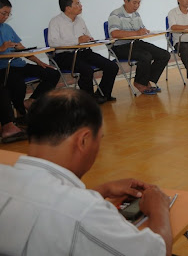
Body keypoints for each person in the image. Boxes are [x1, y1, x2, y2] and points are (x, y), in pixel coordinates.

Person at [0, 88, 172, 255]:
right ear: (84, 140)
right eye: (99, 139)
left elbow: (46, 202)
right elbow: (156, 252)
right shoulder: (86, 213)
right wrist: (159, 209)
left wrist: (101, 190)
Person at [47, 0, 119, 104]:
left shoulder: (80, 20)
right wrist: (77, 40)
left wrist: (89, 39)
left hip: (84, 52)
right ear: (68, 8)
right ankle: (88, 100)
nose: (81, 6)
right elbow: (53, 43)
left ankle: (103, 94)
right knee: (87, 70)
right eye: (77, 3)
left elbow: (87, 36)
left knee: (112, 66)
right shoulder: (55, 22)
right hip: (65, 55)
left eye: (80, 3)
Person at [0, 0, 60, 119]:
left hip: (18, 64)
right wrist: (2, 48)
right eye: (4, 13)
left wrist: (38, 62)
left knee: (52, 73)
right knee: (18, 84)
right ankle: (21, 113)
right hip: (3, 68)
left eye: (8, 14)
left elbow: (21, 48)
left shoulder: (7, 28)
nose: (6, 17)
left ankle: (31, 101)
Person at [107, 0, 170, 95]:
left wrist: (145, 31)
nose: (137, 6)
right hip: (120, 46)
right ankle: (140, 83)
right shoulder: (115, 14)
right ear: (126, 1)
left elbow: (141, 29)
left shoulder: (136, 14)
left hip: (135, 43)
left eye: (139, 3)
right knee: (145, 56)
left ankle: (147, 80)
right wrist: (137, 33)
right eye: (134, 2)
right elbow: (114, 33)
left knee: (164, 54)